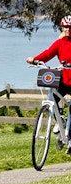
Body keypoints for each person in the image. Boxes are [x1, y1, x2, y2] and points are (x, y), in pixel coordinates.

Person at [27, 14, 71, 153]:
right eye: (65, 27)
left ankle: (69, 136)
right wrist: (34, 59)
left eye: (70, 27)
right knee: (51, 99)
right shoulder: (60, 43)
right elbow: (48, 53)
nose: (68, 29)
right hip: (63, 79)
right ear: (62, 27)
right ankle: (60, 121)